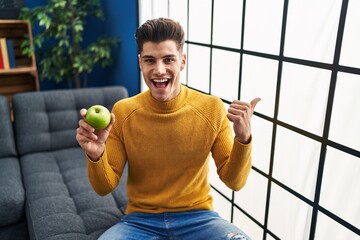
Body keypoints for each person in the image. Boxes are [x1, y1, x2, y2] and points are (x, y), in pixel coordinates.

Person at [76, 17, 260, 240]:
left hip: (199, 219)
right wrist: (96, 155)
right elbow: (104, 187)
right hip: (139, 222)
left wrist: (243, 138)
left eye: (168, 59)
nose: (159, 70)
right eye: (150, 60)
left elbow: (234, 182)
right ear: (140, 62)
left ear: (182, 61)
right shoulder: (123, 111)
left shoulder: (211, 108)